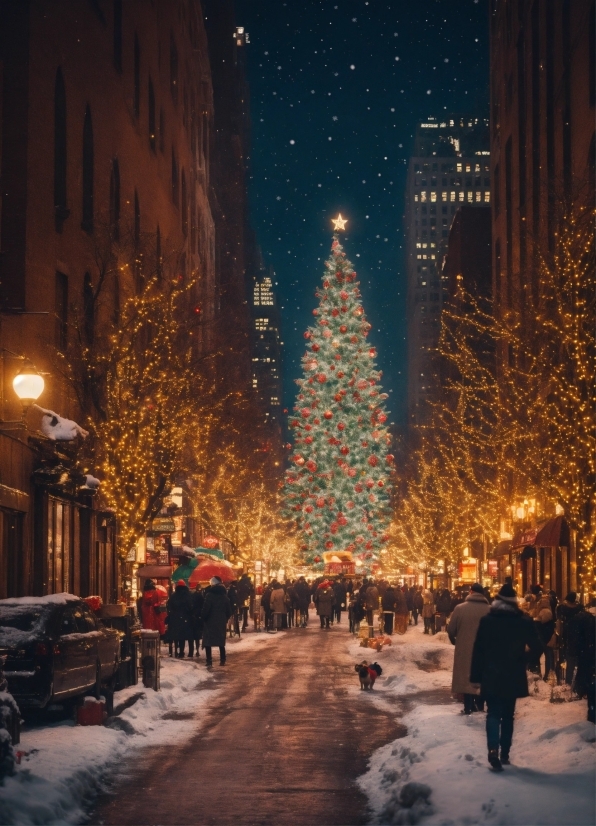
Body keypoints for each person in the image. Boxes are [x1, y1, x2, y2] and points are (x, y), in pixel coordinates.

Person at [470, 583, 543, 771]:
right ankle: (505, 753)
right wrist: (524, 658)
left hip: (491, 672)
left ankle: (492, 749)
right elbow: (537, 645)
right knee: (508, 715)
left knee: (493, 712)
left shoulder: (488, 621)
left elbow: (478, 650)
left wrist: (476, 676)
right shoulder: (524, 621)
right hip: (513, 673)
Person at [447, 583, 490, 714]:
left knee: (466, 678)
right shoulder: (490, 610)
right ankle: (480, 706)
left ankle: (468, 707)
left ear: (470, 592)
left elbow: (451, 630)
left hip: (464, 650)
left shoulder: (460, 609)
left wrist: (456, 641)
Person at [574, 598, 596, 722]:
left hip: (588, 656)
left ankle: (592, 712)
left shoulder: (584, 619)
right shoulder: (587, 620)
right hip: (589, 654)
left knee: (591, 684)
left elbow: (579, 638)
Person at [201, 576, 232, 667]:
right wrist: (224, 619)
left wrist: (203, 617)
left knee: (208, 642)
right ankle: (222, 659)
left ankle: (209, 660)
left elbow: (205, 609)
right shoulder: (224, 597)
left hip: (210, 622)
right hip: (221, 622)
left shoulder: (209, 596)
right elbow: (229, 611)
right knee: (220, 641)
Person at [556, 592, 584, 687]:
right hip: (579, 637)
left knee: (569, 661)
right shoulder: (580, 609)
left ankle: (568, 683)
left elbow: (559, 623)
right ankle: (578, 683)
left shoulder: (562, 609)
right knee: (579, 662)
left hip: (566, 637)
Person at [166, 580, 195, 658]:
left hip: (176, 618)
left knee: (180, 636)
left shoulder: (174, 595)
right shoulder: (189, 595)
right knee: (189, 636)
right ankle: (191, 652)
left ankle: (181, 652)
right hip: (187, 617)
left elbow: (169, 606)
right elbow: (191, 606)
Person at [534, 594, 556, 680]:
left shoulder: (544, 611)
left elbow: (540, 622)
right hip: (546, 636)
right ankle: (548, 674)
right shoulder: (547, 611)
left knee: (546, 655)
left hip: (543, 636)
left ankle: (547, 674)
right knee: (548, 655)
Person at [190, 584, 204, 658]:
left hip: (193, 617)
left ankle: (192, 651)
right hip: (198, 617)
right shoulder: (201, 597)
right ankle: (197, 650)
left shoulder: (192, 596)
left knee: (193, 635)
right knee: (198, 636)